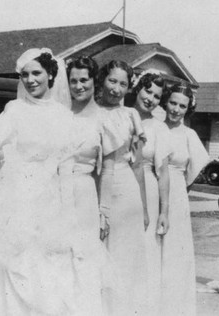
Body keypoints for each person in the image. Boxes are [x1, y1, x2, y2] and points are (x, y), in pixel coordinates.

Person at [0, 48, 80, 315]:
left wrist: (68, 213)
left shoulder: (63, 116)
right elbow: (4, 161)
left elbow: (66, 167)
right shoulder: (13, 110)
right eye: (25, 75)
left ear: (51, 74)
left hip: (50, 201)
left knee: (47, 275)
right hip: (16, 200)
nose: (31, 80)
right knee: (15, 268)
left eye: (37, 73)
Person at [65, 55, 124, 315]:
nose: (79, 86)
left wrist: (104, 212)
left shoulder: (103, 119)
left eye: (84, 80)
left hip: (85, 194)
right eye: (73, 80)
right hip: (55, 193)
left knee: (84, 260)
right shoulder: (59, 115)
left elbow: (107, 170)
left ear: (94, 81)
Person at [97, 60, 149, 315]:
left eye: (123, 84)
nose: (116, 89)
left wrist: (145, 207)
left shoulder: (131, 115)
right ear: (102, 80)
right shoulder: (91, 111)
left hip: (126, 191)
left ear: (129, 88)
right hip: (95, 186)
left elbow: (138, 165)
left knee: (124, 256)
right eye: (112, 81)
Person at [161, 83, 209, 316]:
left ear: (188, 108)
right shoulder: (154, 127)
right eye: (173, 103)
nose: (176, 110)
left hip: (177, 192)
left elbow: (194, 169)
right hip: (152, 189)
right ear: (165, 102)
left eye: (182, 106)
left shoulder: (189, 135)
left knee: (175, 249)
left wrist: (179, 188)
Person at [128, 70, 170, 313]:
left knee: (146, 251)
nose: (151, 99)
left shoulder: (158, 128)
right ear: (137, 88)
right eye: (148, 91)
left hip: (150, 190)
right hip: (121, 184)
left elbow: (163, 172)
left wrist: (164, 211)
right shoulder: (122, 116)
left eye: (157, 96)